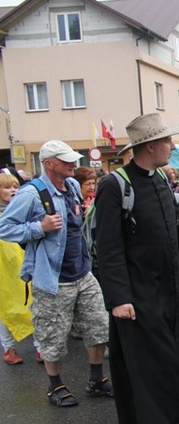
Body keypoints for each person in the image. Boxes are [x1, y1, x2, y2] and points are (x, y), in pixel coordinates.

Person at [95, 113, 179, 424]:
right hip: (138, 294)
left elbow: (176, 231)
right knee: (154, 364)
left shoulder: (160, 178)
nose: (173, 147)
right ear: (151, 145)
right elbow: (108, 246)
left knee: (170, 358)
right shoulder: (115, 185)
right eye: (169, 142)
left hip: (170, 287)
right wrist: (118, 298)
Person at [0, 140, 112, 407]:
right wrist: (39, 226)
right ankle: (55, 386)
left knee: (98, 326)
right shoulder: (31, 193)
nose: (74, 164)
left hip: (83, 273)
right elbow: (4, 227)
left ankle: (96, 380)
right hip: (52, 278)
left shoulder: (72, 186)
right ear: (49, 164)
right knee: (52, 335)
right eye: (67, 161)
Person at [0, 173, 38, 365]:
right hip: (3, 269)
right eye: (7, 187)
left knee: (35, 303)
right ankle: (8, 348)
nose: (13, 190)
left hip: (25, 263)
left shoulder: (25, 210)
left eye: (16, 186)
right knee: (7, 306)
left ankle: (40, 346)